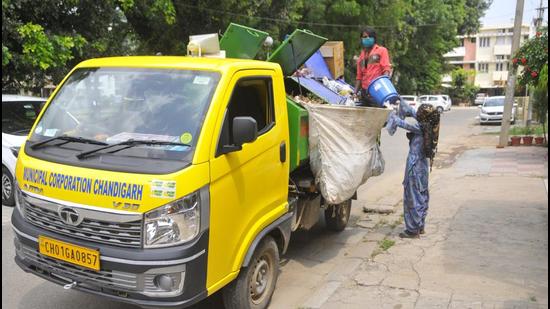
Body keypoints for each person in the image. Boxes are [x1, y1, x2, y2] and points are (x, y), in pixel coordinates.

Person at [385, 100, 440, 238]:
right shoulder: (429, 125)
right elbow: (415, 114)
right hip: (422, 166)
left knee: (412, 195)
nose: (418, 114)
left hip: (414, 165)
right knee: (421, 194)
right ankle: (420, 225)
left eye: (420, 113)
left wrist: (391, 113)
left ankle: (412, 230)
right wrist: (403, 103)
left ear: (423, 117)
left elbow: (401, 122)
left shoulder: (419, 127)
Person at [354, 28, 392, 107]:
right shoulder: (361, 57)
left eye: (369, 36)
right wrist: (354, 93)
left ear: (374, 38)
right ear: (361, 39)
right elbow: (359, 77)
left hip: (377, 90)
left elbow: (386, 69)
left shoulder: (381, 50)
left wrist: (384, 87)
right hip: (365, 92)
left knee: (379, 115)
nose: (367, 38)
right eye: (364, 37)